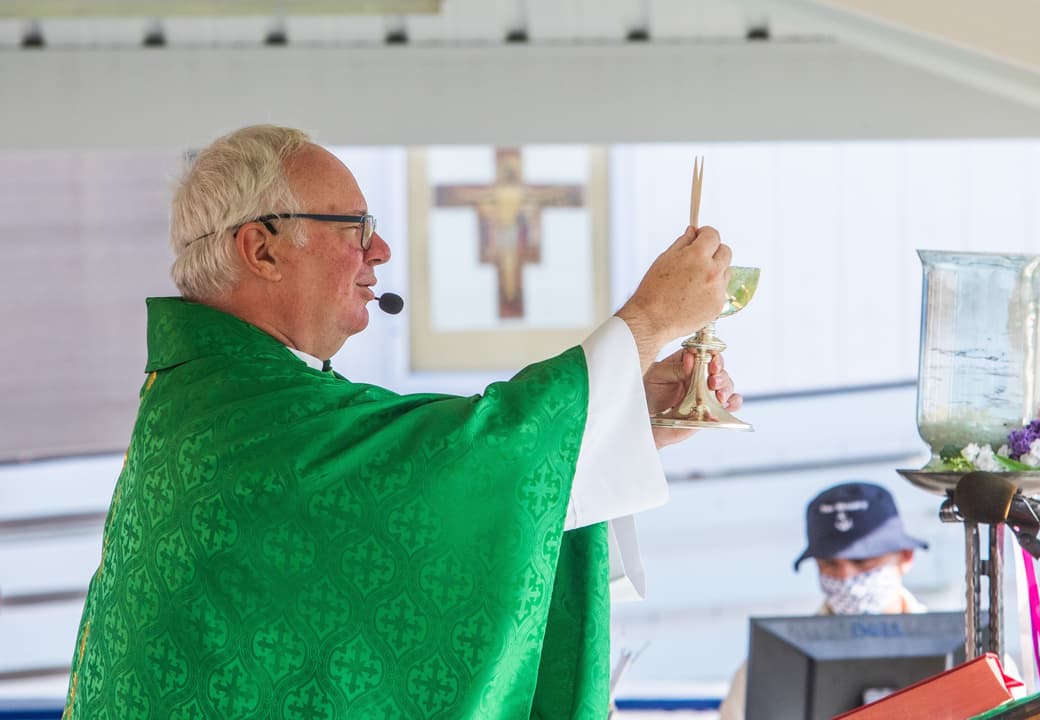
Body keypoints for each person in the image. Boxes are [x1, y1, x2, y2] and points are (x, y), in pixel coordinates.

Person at [63, 125, 741, 719]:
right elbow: (466, 464)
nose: (379, 249)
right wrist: (647, 324)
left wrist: (619, 424)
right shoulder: (250, 422)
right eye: (353, 227)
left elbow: (434, 475)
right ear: (261, 250)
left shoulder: (231, 400)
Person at [717, 481, 928, 720]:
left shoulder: (960, 656)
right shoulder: (766, 670)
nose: (846, 576)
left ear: (906, 557)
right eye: (830, 564)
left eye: (862, 560)